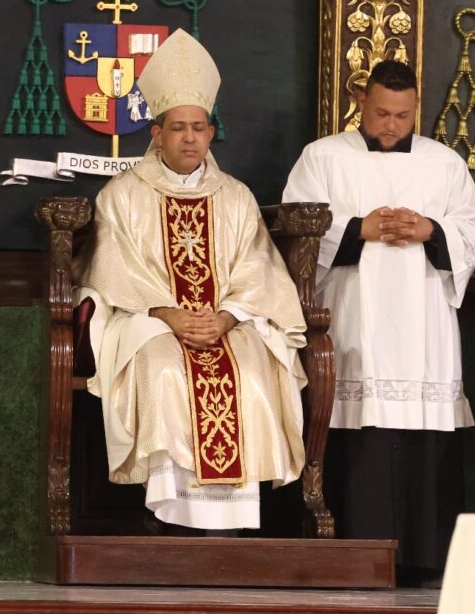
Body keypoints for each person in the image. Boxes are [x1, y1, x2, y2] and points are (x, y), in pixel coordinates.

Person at [73, 29, 308, 532]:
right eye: (178, 128)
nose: (190, 139)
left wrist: (226, 315)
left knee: (250, 372)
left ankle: (237, 520)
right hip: (151, 321)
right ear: (155, 133)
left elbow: (257, 266)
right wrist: (168, 314)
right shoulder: (122, 194)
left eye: (199, 128)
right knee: (164, 373)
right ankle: (168, 514)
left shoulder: (235, 197)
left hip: (227, 322)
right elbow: (113, 269)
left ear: (210, 132)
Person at [282, 59, 475, 582]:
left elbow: (474, 227)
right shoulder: (324, 157)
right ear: (362, 103)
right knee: (362, 426)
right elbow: (296, 224)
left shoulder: (445, 164)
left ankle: (426, 558)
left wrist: (431, 231)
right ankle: (352, 555)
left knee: (425, 435)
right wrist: (359, 228)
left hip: (424, 325)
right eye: (380, 113)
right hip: (356, 316)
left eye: (401, 114)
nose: (391, 125)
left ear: (415, 107)